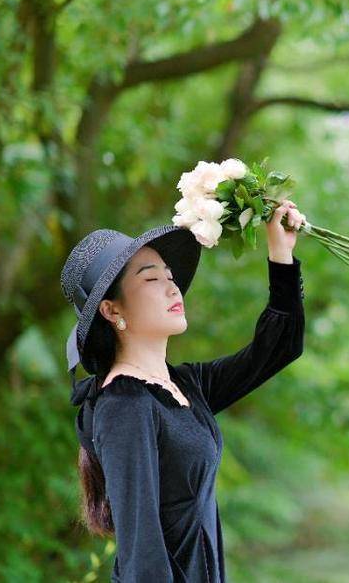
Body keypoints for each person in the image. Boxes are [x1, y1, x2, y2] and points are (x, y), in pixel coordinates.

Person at [61, 200, 307, 582]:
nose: (171, 286)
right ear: (111, 311)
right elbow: (142, 553)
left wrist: (281, 253)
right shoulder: (124, 405)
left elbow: (278, 348)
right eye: (150, 278)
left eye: (169, 274)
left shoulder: (184, 386)